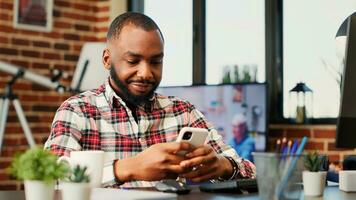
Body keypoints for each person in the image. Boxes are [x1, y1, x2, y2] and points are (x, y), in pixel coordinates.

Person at [44, 12, 256, 188]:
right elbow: (48, 176)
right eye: (133, 60)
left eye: (156, 61)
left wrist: (222, 166)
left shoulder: (183, 112)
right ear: (107, 59)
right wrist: (128, 168)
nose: (146, 73)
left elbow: (249, 171)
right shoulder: (77, 111)